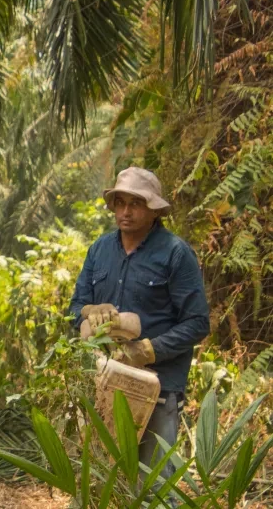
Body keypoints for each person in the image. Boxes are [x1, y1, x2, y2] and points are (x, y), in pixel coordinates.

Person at [69, 166, 209, 479]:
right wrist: (89, 311)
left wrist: (146, 350)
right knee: (101, 481)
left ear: (153, 209)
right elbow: (73, 309)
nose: (126, 212)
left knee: (153, 485)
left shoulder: (175, 254)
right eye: (120, 203)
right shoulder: (99, 250)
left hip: (157, 389)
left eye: (135, 204)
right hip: (104, 384)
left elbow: (197, 323)